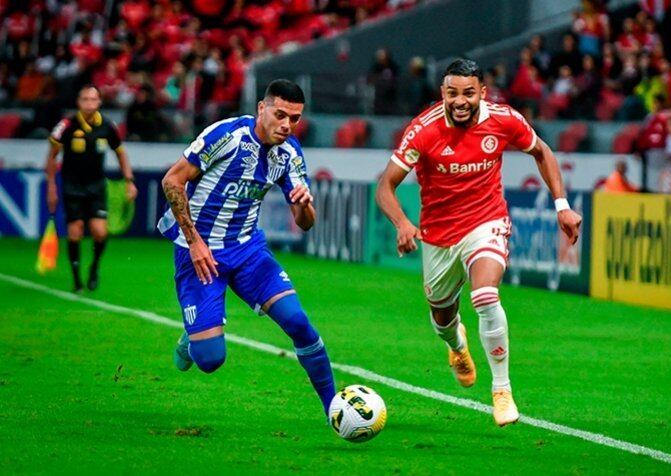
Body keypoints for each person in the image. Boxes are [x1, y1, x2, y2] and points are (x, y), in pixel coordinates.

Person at [375, 59, 582, 427]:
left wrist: (562, 206)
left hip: (486, 222)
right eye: (452, 93)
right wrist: (403, 222)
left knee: (485, 295)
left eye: (468, 93)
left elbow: (542, 152)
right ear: (443, 93)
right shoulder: (423, 129)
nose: (460, 101)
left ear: (482, 93)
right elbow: (385, 186)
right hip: (439, 235)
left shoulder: (504, 119)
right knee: (442, 318)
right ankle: (457, 345)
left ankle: (502, 390)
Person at [157, 79, 336, 418]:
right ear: (261, 109)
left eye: (294, 118)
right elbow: (172, 180)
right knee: (210, 359)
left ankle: (334, 409)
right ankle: (193, 337)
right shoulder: (227, 136)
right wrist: (195, 242)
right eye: (280, 115)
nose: (287, 125)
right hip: (200, 253)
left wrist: (304, 205)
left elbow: (305, 222)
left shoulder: (290, 153)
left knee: (298, 322)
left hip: (247, 251)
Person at [45, 85, 137, 292]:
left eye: (93, 99)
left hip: (96, 186)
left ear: (99, 102)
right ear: (79, 102)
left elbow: (121, 153)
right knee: (75, 232)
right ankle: (76, 278)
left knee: (100, 232)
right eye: (85, 99)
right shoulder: (66, 125)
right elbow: (52, 156)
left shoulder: (107, 126)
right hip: (72, 186)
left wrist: (129, 180)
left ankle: (94, 266)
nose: (89, 103)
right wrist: (51, 186)